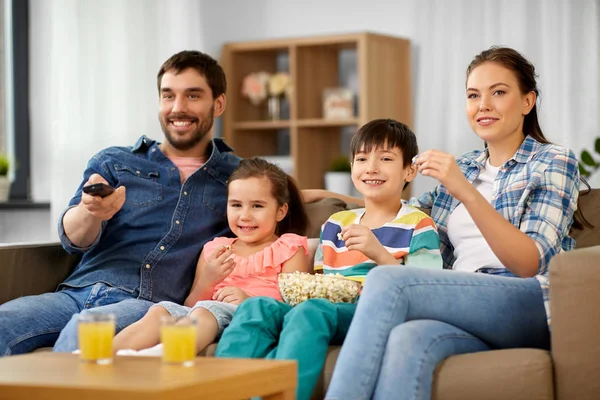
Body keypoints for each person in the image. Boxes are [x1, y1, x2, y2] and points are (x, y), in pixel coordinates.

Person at [0, 50, 346, 356]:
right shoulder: (115, 162)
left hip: (144, 302)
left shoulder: (236, 176)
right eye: (169, 96)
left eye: (193, 95)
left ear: (218, 104)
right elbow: (72, 238)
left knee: (82, 334)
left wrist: (360, 198)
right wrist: (91, 211)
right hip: (76, 290)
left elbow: (281, 196)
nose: (178, 108)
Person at [324, 46, 581, 400]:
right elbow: (401, 207)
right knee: (407, 339)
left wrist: (464, 190)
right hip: (460, 296)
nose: (483, 105)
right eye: (473, 95)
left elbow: (529, 262)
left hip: (526, 300)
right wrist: (326, 196)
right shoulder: (468, 165)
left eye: (499, 92)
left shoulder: (553, 161)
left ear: (527, 101)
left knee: (390, 281)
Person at [216, 119, 443, 400]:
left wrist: (379, 253)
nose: (371, 167)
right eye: (361, 158)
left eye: (385, 158)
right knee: (256, 308)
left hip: (371, 310)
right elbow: (322, 283)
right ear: (352, 167)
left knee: (312, 312)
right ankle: (222, 391)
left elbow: (426, 294)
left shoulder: (419, 224)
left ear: (409, 170)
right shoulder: (335, 223)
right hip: (326, 305)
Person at [111, 157, 310, 355]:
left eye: (257, 206)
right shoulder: (216, 249)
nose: (245, 215)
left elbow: (295, 310)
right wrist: (208, 280)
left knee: (207, 312)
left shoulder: (289, 248)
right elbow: (190, 305)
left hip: (248, 319)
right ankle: (102, 355)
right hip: (202, 313)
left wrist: (249, 302)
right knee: (161, 311)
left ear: (280, 211)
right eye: (236, 205)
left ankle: (165, 355)